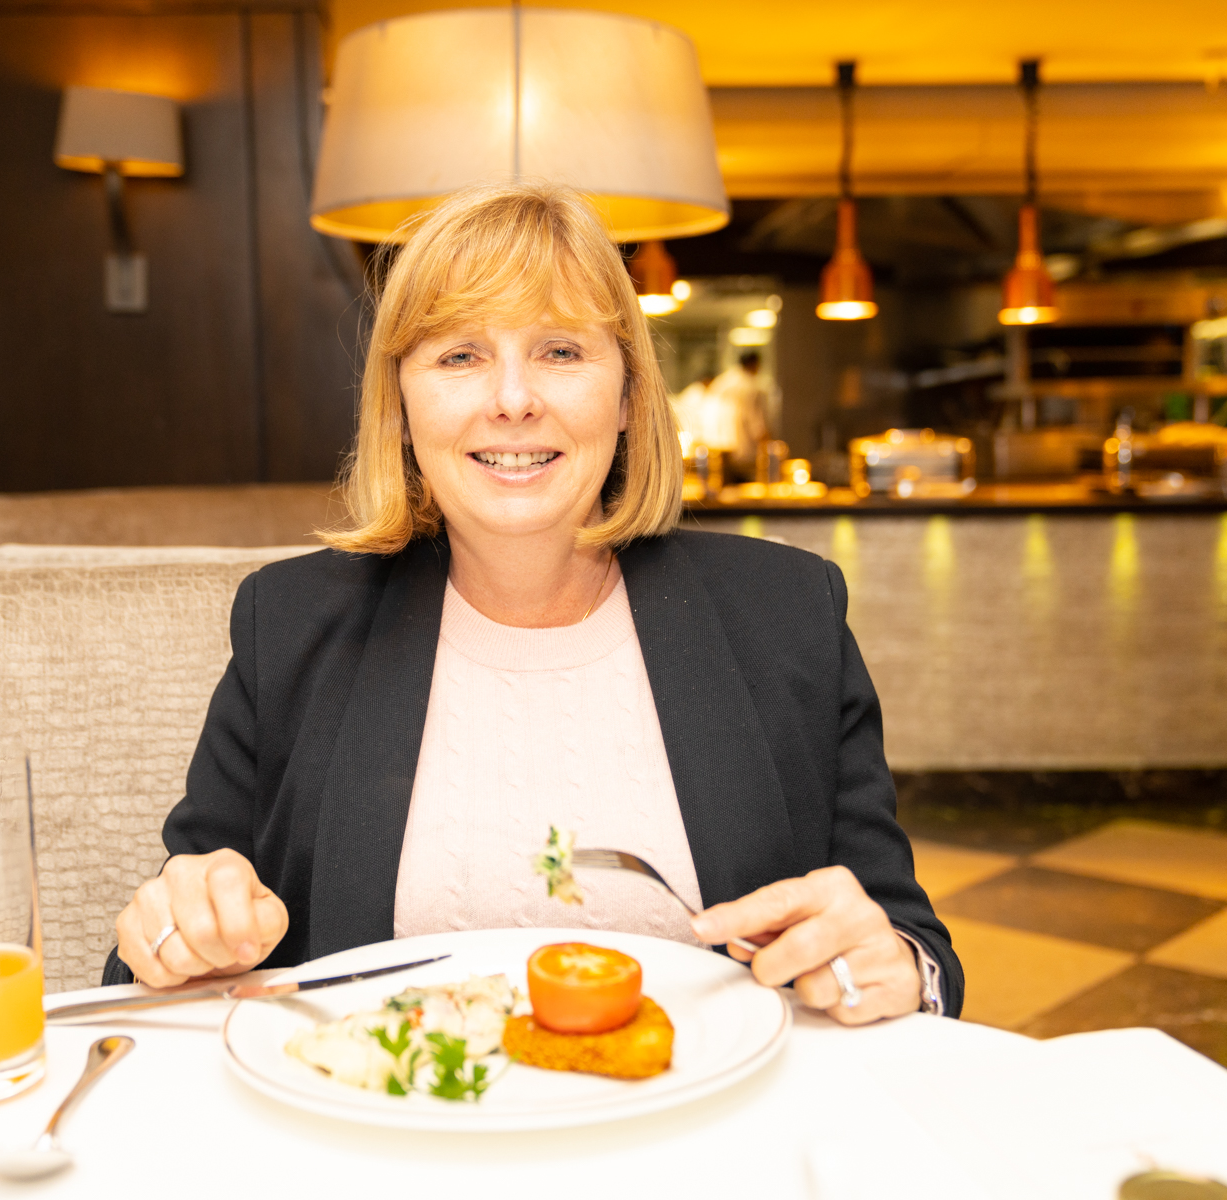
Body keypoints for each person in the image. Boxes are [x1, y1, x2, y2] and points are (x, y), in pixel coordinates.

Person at [108, 182, 961, 1024]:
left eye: (560, 351)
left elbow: (910, 946)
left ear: (627, 395)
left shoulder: (786, 613)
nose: (513, 400)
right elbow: (157, 954)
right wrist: (180, 931)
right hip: (390, 1146)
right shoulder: (289, 627)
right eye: (459, 356)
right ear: (400, 406)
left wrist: (891, 965)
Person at [702, 351, 770, 482]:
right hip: (745, 453)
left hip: (719, 451)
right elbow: (757, 426)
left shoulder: (721, 382)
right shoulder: (751, 386)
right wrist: (768, 448)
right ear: (754, 364)